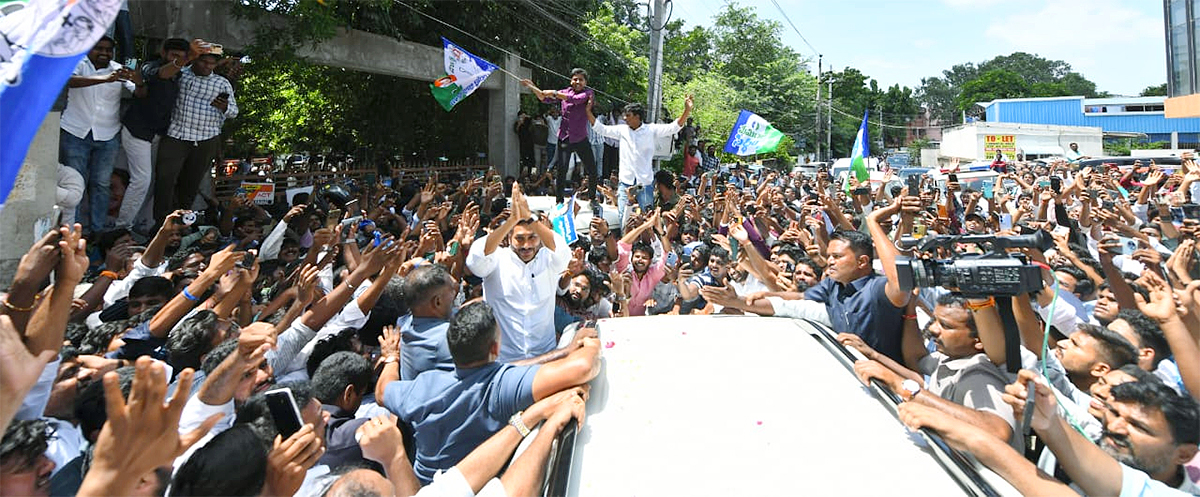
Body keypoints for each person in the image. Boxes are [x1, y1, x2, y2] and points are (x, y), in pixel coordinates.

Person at [376, 301, 600, 484]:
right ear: (495, 348)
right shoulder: (501, 386)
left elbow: (382, 391)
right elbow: (583, 368)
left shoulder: (421, 386)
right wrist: (590, 344)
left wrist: (391, 358)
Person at [465, 184, 569, 362]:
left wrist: (530, 218)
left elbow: (563, 252)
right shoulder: (496, 260)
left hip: (545, 357)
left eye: (532, 237)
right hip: (504, 361)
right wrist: (512, 220)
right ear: (508, 238)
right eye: (519, 238)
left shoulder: (548, 260)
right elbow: (475, 260)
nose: (526, 245)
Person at [153, 39, 238, 227]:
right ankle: (160, 223)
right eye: (203, 62)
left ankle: (182, 223)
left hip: (206, 139)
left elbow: (234, 112)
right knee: (165, 181)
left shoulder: (221, 83)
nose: (208, 66)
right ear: (195, 60)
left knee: (191, 185)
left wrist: (224, 107)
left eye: (212, 63)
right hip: (177, 135)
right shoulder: (181, 75)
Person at [61, 36, 139, 234]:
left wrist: (139, 81)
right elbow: (68, 81)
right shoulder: (78, 64)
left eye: (108, 50)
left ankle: (98, 233)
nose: (104, 53)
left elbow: (140, 93)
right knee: (74, 184)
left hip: (107, 135)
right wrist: (104, 79)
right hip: (75, 131)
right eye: (99, 49)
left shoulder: (118, 69)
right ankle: (73, 232)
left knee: (101, 184)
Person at [117, 38, 191, 234]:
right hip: (138, 131)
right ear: (164, 53)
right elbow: (161, 74)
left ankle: (139, 224)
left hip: (157, 134)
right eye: (174, 56)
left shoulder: (181, 74)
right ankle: (122, 228)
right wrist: (187, 58)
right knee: (141, 180)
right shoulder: (151, 67)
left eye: (182, 57)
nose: (177, 60)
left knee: (149, 183)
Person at [586, 94, 694, 227]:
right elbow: (600, 128)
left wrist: (687, 110)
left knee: (646, 217)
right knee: (623, 217)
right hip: (625, 183)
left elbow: (674, 127)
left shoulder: (651, 130)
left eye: (628, 115)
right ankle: (626, 245)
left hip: (644, 184)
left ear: (637, 117)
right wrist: (587, 111)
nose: (624, 118)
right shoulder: (622, 130)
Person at [521, 69, 597, 205]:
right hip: (564, 137)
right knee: (562, 170)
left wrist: (555, 93)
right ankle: (559, 201)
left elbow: (576, 100)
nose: (577, 82)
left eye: (581, 79)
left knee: (592, 169)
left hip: (580, 138)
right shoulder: (565, 91)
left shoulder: (588, 93)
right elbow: (544, 98)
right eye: (575, 79)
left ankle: (592, 198)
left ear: (585, 82)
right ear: (571, 80)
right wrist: (532, 87)